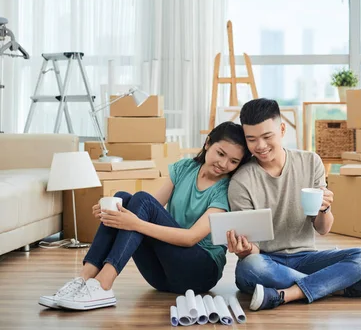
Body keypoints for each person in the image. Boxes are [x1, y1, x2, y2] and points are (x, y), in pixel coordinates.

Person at [39, 121, 251, 311]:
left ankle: (103, 285)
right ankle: (83, 280)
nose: (224, 164)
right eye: (220, 153)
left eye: (233, 161)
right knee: (123, 198)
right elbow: (149, 206)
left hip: (199, 272)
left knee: (137, 202)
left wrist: (135, 223)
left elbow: (191, 238)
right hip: (162, 277)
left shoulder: (225, 189)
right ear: (207, 144)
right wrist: (112, 215)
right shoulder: (185, 168)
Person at [227, 98, 361, 311]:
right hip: (265, 260)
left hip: (307, 257)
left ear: (282, 130)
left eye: (267, 136)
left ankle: (285, 294)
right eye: (251, 139)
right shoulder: (241, 181)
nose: (260, 146)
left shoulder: (311, 162)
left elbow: (322, 229)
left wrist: (325, 208)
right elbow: (252, 252)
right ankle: (335, 286)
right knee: (250, 267)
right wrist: (244, 250)